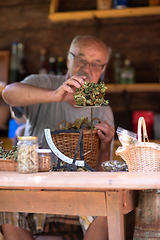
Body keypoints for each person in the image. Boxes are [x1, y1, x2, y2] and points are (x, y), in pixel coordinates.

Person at [1, 35, 115, 240]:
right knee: (6, 205)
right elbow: (8, 93)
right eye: (81, 59)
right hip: (33, 188)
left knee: (107, 207)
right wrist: (54, 95)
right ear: (69, 59)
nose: (87, 68)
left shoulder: (102, 109)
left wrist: (105, 147)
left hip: (80, 194)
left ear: (103, 69)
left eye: (96, 63)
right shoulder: (42, 82)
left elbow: (101, 172)